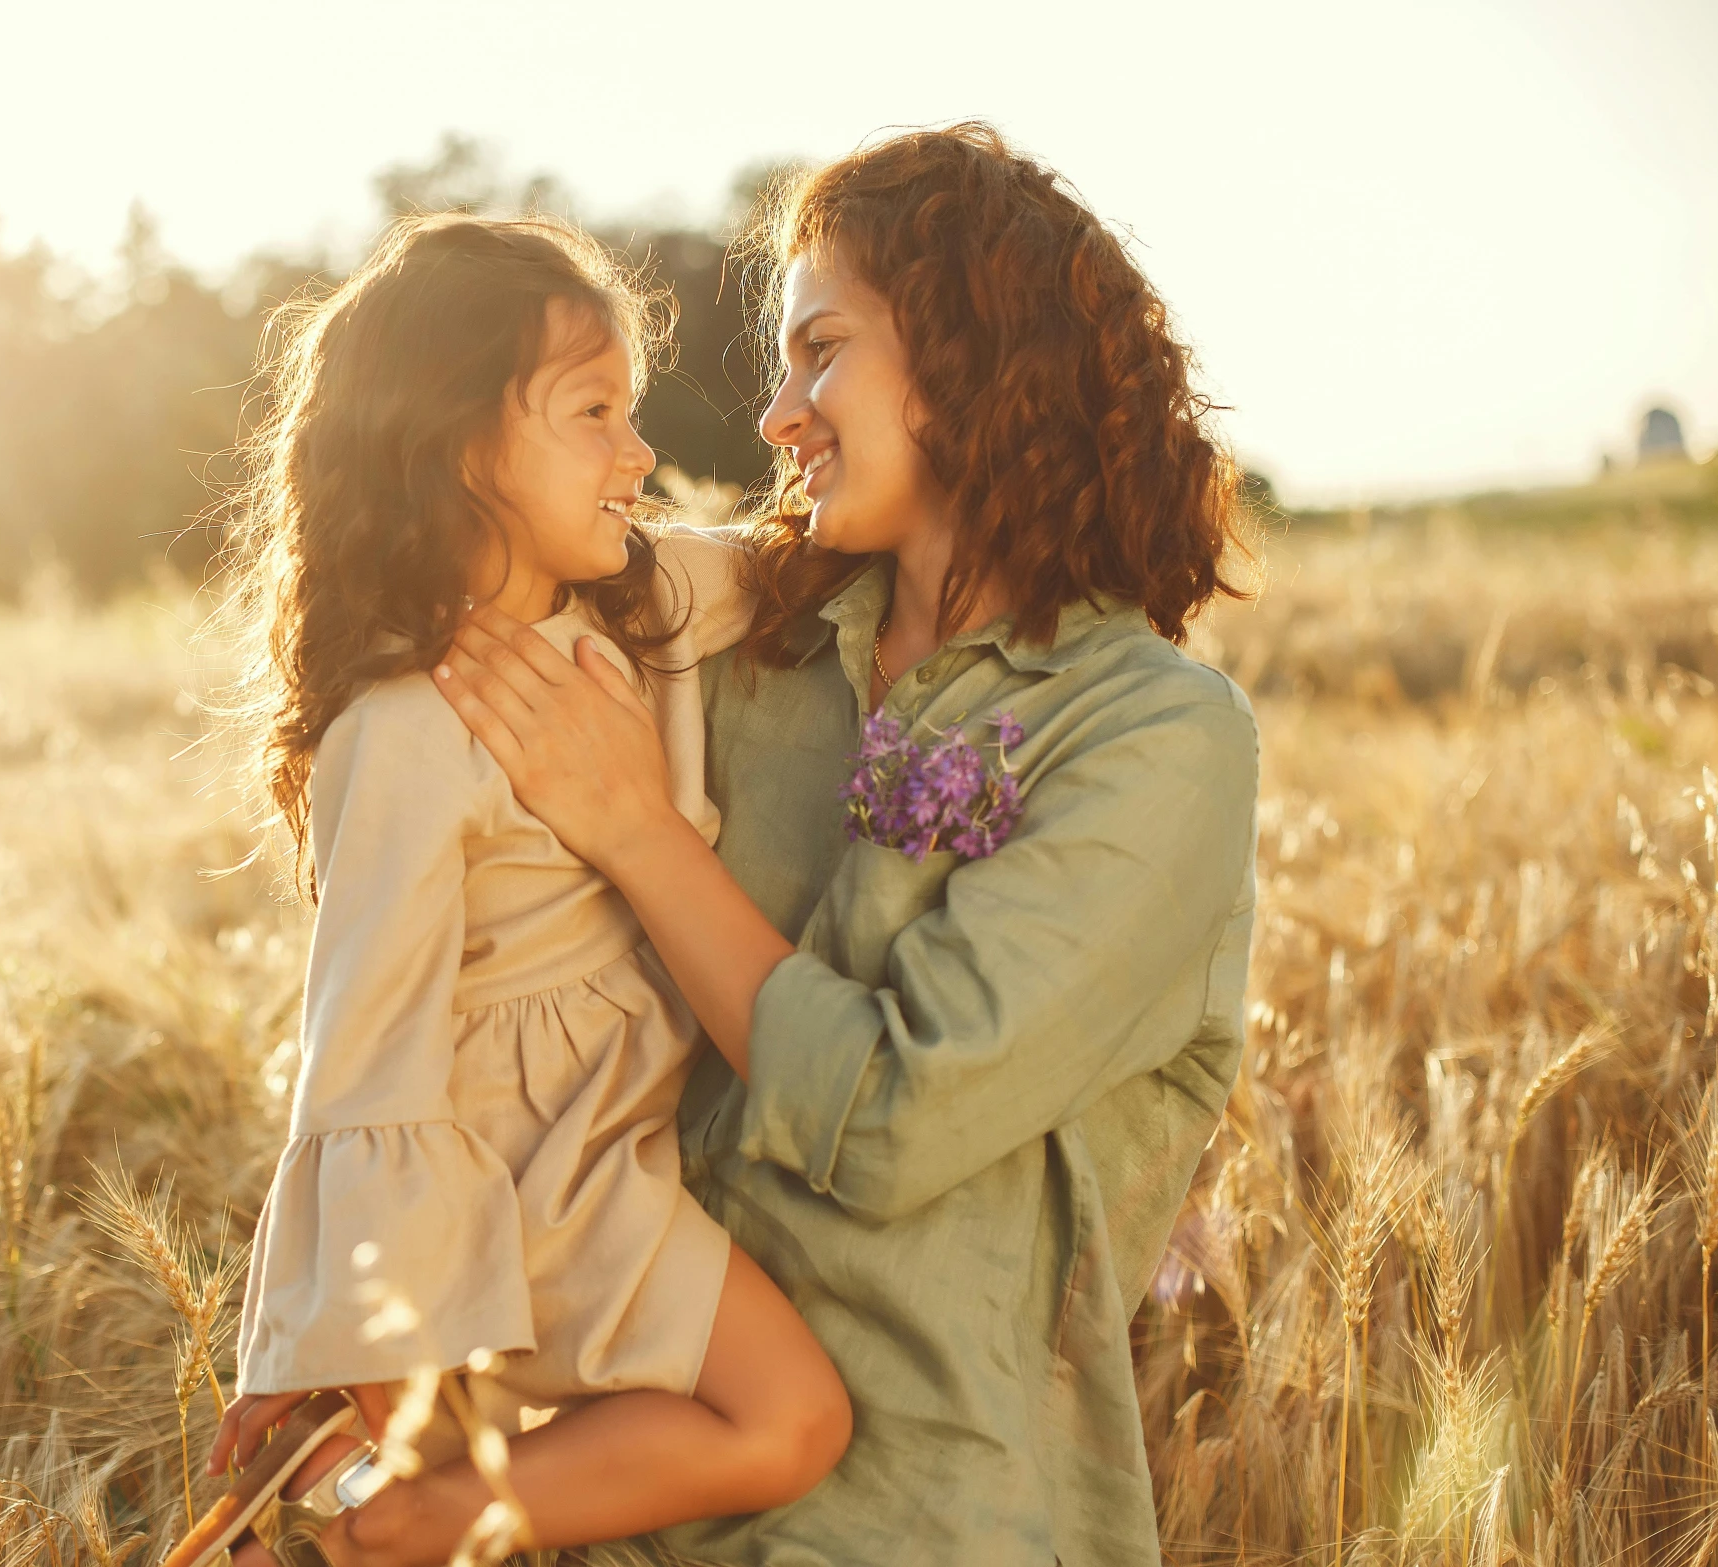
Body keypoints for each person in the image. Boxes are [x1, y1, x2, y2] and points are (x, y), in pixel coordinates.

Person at [431, 123, 1260, 1566]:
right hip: (606, 1482)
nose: (775, 414)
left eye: (819, 349)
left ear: (974, 351)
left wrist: (636, 828)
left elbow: (890, 1120)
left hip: (921, 1518)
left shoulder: (1155, 737)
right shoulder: (745, 646)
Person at [180, 214, 850, 1567]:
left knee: (782, 1421)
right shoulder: (405, 726)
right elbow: (362, 1047)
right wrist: (329, 1331)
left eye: (632, 411)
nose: (639, 453)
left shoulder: (635, 603)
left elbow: (797, 556)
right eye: (592, 413)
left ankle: (374, 1516)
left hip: (614, 1134)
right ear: (458, 444)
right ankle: (398, 1517)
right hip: (527, 1177)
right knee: (790, 1418)